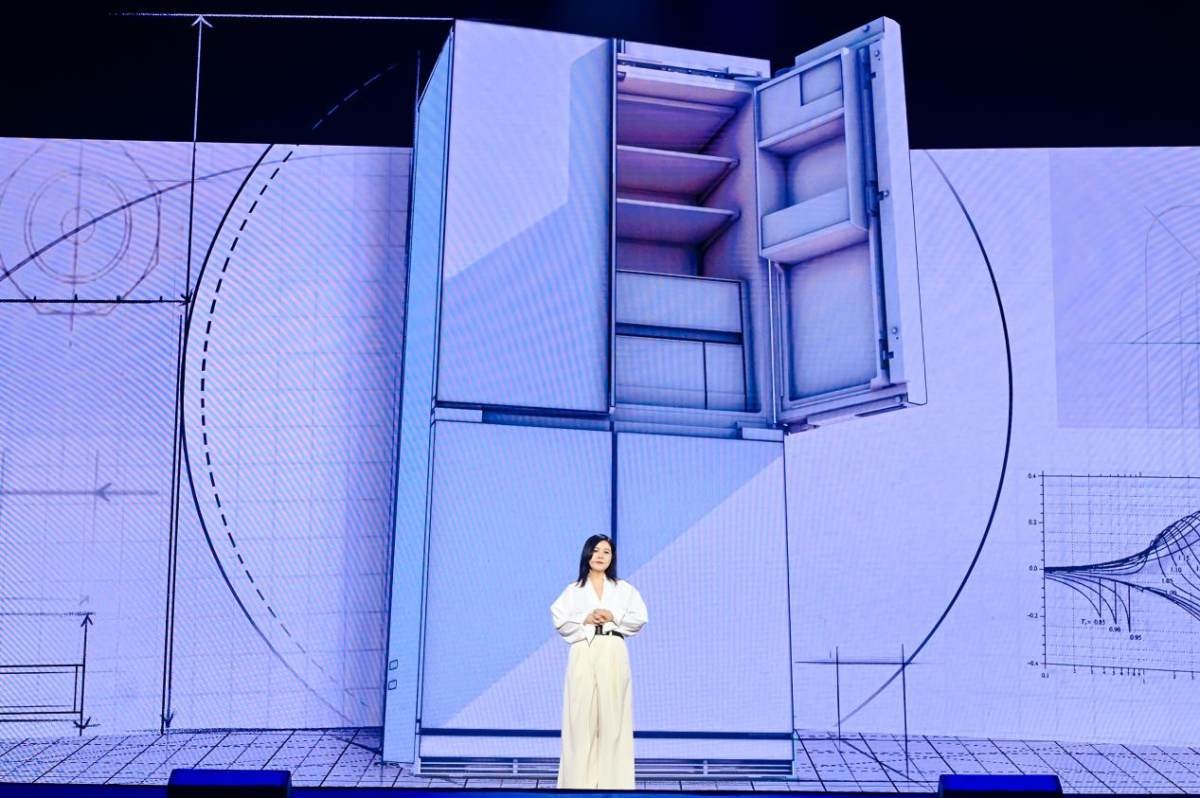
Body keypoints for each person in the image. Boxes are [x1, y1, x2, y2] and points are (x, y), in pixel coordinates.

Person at [550, 534, 648, 789]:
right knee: (580, 717)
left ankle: (614, 786)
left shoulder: (624, 589)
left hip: (613, 648)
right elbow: (559, 619)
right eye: (596, 550)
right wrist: (585, 618)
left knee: (613, 718)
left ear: (612, 557)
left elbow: (640, 618)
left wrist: (613, 615)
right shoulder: (573, 590)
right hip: (584, 647)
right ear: (587, 554)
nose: (600, 556)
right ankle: (576, 786)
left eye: (606, 551)